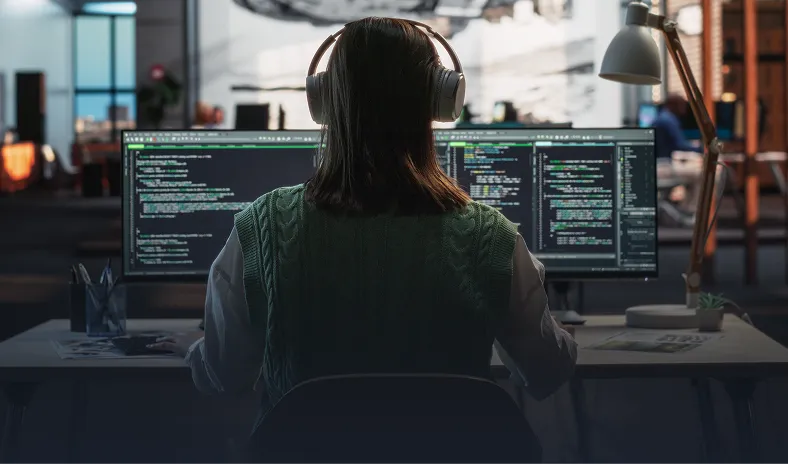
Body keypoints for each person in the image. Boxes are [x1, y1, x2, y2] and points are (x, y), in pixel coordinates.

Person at [150, 17, 576, 410]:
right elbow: (547, 372)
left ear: (321, 99)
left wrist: (194, 347)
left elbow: (224, 376)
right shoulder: (492, 236)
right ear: (441, 99)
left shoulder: (263, 227)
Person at [653, 95, 704, 215]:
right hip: (662, 167)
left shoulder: (662, 117)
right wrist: (702, 148)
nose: (685, 109)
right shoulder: (668, 120)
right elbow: (679, 145)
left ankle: (687, 208)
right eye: (682, 105)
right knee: (704, 173)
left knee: (696, 170)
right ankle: (692, 211)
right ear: (672, 105)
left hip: (660, 164)